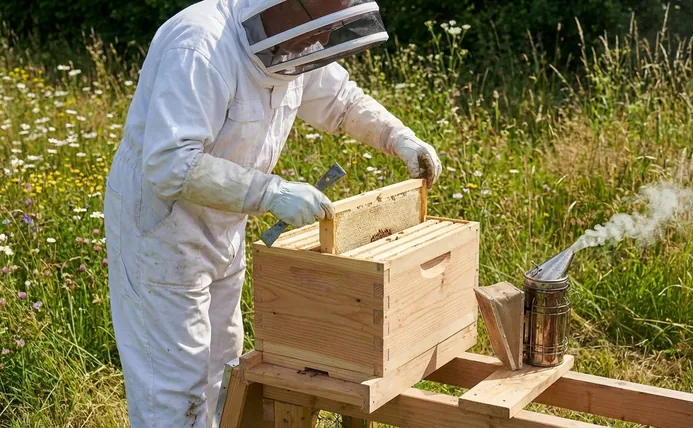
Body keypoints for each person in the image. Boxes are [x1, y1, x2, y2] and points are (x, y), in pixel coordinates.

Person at [103, 0, 442, 426]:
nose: (321, 39)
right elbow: (169, 164)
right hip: (160, 228)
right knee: (173, 386)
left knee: (225, 363)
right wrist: (270, 190)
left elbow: (340, 101)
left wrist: (398, 137)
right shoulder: (200, 46)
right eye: (317, 24)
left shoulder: (295, 41)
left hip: (223, 224)